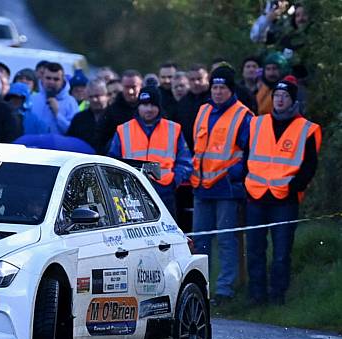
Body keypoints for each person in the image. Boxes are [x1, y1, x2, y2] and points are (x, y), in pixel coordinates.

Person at [245, 77, 320, 306]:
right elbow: (246, 156)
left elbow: (309, 166)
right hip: (256, 195)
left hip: (284, 199)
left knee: (281, 253)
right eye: (276, 95)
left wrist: (293, 188)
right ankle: (256, 297)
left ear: (293, 100)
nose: (279, 100)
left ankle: (277, 297)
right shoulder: (257, 123)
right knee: (255, 250)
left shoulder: (307, 128)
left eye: (284, 96)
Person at [190, 66, 253, 306]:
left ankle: (225, 290)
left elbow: (248, 153)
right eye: (214, 87)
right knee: (200, 241)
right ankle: (200, 289)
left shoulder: (243, 115)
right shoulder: (203, 110)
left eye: (222, 88)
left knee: (227, 241)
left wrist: (233, 175)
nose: (217, 92)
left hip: (226, 188)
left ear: (231, 89)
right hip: (202, 186)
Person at [107, 86, 192, 216]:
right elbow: (113, 161)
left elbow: (185, 161)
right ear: (138, 106)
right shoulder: (123, 130)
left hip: (164, 190)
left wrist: (175, 180)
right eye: (145, 105)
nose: (149, 109)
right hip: (132, 190)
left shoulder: (173, 129)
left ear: (159, 106)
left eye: (153, 104)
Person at [30, 62, 78, 135]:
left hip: (59, 145)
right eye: (48, 78)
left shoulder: (71, 102)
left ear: (62, 81)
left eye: (56, 79)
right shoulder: (32, 99)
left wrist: (57, 114)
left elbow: (74, 131)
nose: (51, 82)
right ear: (42, 79)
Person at [67, 79, 111, 153]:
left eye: (97, 96)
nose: (94, 100)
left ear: (107, 96)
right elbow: (71, 142)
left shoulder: (115, 117)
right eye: (91, 97)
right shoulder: (79, 119)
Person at [175, 64, 210, 150]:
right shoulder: (183, 103)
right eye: (192, 80)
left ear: (207, 79)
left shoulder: (215, 100)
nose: (196, 83)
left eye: (199, 79)